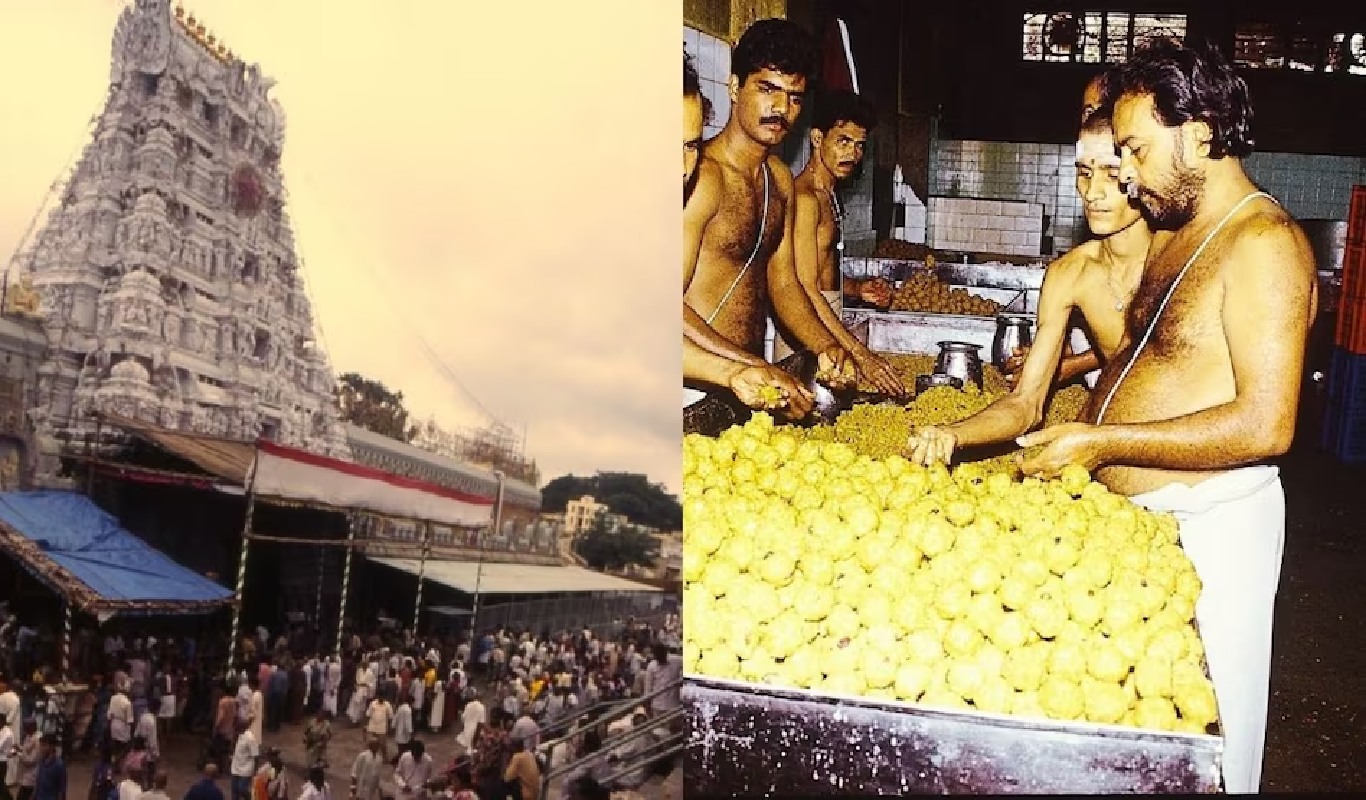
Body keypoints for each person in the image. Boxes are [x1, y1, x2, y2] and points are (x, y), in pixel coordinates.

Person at [1016, 38, 1315, 795]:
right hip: (1146, 527)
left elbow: (1267, 423)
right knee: (1143, 743)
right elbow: (1148, 361)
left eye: (1139, 151)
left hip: (1217, 526)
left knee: (1213, 738)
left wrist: (1101, 439)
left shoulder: (1265, 243)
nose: (1129, 175)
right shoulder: (1177, 236)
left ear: (1202, 130)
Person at [908, 108, 1150, 464]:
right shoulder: (1070, 274)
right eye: (1084, 174)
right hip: (1112, 452)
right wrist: (953, 433)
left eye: (1111, 174)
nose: (1093, 193)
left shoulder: (1179, 260)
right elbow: (1026, 403)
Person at [684, 21, 855, 418]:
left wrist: (824, 346)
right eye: (767, 90)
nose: (782, 109)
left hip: (749, 385)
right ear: (733, 86)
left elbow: (785, 283)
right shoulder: (702, 177)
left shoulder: (778, 179)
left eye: (795, 98)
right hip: (693, 384)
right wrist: (746, 365)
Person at [786, 89, 903, 395]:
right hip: (807, 330)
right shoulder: (805, 200)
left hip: (828, 320)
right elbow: (803, 287)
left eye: (859, 145)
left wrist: (856, 288)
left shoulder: (829, 195)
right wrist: (861, 354)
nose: (853, 154)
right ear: (816, 138)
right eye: (843, 141)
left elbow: (821, 271)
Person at [228, 721, 258, 800]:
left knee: (242, 789)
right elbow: (233, 749)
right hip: (235, 767)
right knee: (234, 791)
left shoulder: (250, 738)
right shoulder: (236, 736)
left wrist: (255, 771)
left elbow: (256, 755)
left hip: (246, 768)